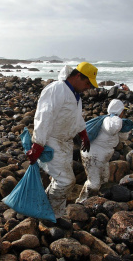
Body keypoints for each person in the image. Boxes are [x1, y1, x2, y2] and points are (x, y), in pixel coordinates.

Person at [26, 62, 98, 220]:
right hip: (51, 141)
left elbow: (77, 117)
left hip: (65, 143)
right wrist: (38, 144)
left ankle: (55, 213)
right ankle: (47, 212)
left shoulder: (75, 94)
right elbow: (44, 117)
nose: (88, 87)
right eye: (87, 83)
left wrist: (83, 133)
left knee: (60, 179)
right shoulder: (57, 89)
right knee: (66, 180)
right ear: (78, 76)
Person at [76, 99, 130, 204]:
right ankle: (81, 202)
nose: (124, 113)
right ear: (120, 111)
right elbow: (113, 128)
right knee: (94, 183)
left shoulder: (107, 120)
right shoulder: (113, 121)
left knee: (104, 179)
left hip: (101, 157)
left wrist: (123, 128)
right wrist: (120, 123)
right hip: (93, 155)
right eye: (123, 111)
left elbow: (123, 137)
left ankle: (95, 200)